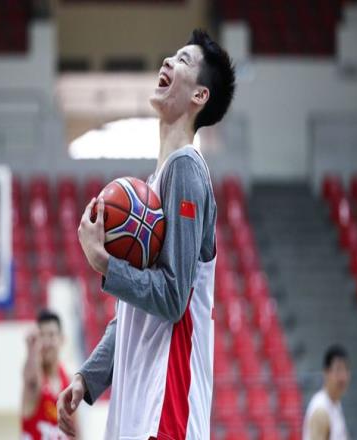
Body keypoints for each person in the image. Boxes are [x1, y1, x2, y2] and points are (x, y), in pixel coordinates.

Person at [58, 29, 235, 440]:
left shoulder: (185, 169)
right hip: (142, 405)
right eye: (172, 55)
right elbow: (132, 314)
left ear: (200, 96)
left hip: (168, 402)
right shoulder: (156, 184)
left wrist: (103, 262)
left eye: (184, 60)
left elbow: (173, 298)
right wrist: (88, 378)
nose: (169, 61)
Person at [22, 309, 78, 440]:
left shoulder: (69, 381)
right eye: (42, 335)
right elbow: (30, 379)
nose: (46, 342)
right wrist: (31, 350)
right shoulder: (35, 377)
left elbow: (75, 431)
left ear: (62, 339)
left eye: (51, 335)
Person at [303, 345, 351, 440]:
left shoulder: (335, 403)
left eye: (346, 370)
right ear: (326, 372)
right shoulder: (321, 410)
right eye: (338, 370)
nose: (343, 377)